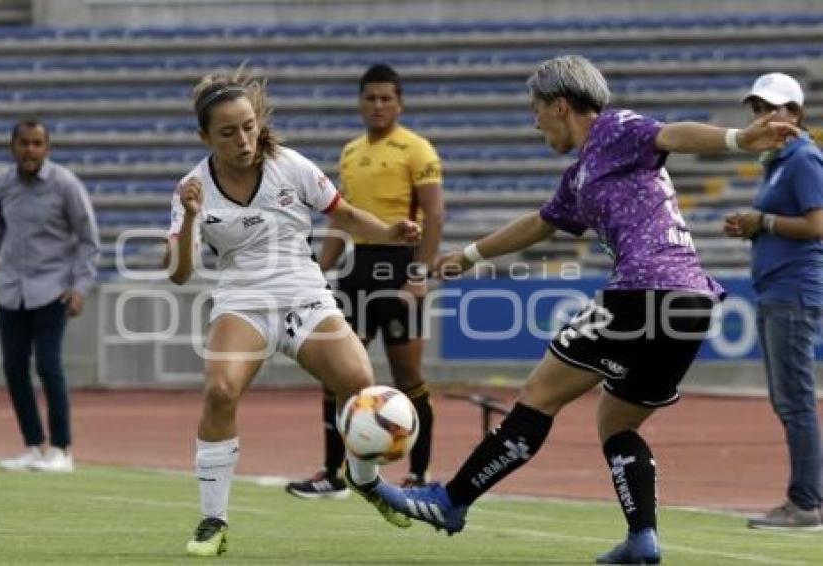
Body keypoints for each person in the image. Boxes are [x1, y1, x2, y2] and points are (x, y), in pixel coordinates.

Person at [364, 55, 800, 564]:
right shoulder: (582, 175)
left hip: (642, 293)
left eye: (536, 109)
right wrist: (468, 256)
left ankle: (450, 502)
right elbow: (541, 223)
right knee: (616, 421)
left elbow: (670, 134)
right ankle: (642, 538)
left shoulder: (613, 128)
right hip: (691, 304)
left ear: (561, 104)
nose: (534, 121)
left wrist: (737, 141)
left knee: (537, 396)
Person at [165, 66, 422, 557]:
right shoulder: (192, 189)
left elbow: (342, 213)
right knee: (219, 392)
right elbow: (179, 272)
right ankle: (213, 521)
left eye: (248, 126)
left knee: (361, 381)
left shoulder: (291, 165)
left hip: (303, 291)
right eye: (227, 132)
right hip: (242, 300)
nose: (242, 139)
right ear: (205, 136)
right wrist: (193, 216)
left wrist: (388, 232)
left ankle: (365, 481)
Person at [286, 63, 444, 498]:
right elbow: (342, 219)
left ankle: (419, 475)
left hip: (398, 270)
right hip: (357, 271)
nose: (377, 105)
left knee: (407, 377)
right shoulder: (351, 152)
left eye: (386, 98)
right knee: (335, 373)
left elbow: (435, 216)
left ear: (399, 103)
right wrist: (318, 271)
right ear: (360, 102)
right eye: (370, 98)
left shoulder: (417, 150)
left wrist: (418, 277)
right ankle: (332, 473)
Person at [723, 72, 823, 530]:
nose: (764, 116)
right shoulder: (779, 160)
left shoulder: (802, 158)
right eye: (758, 108)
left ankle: (805, 504)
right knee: (789, 400)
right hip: (776, 290)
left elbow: (817, 225)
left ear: (795, 113)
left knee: (795, 400)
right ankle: (804, 499)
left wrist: (761, 222)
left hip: (792, 291)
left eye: (774, 107)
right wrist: (751, 225)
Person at [0, 119, 99, 473]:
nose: (30, 150)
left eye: (37, 144)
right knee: (13, 368)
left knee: (48, 365)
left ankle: (61, 449)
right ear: (13, 146)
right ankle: (33, 445)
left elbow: (89, 239)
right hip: (12, 290)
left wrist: (80, 286)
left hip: (53, 289)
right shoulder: (1, 184)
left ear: (47, 148)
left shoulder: (65, 185)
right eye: (24, 143)